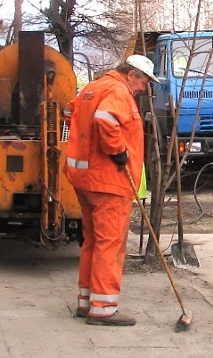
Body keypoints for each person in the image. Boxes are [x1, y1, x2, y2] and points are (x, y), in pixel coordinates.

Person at [65, 54, 158, 326]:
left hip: (85, 177)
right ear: (131, 75)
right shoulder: (118, 91)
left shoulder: (94, 87)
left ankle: (86, 301)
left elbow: (69, 112)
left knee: (92, 241)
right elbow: (106, 121)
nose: (143, 88)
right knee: (110, 244)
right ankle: (103, 308)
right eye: (143, 82)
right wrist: (117, 152)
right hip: (109, 182)